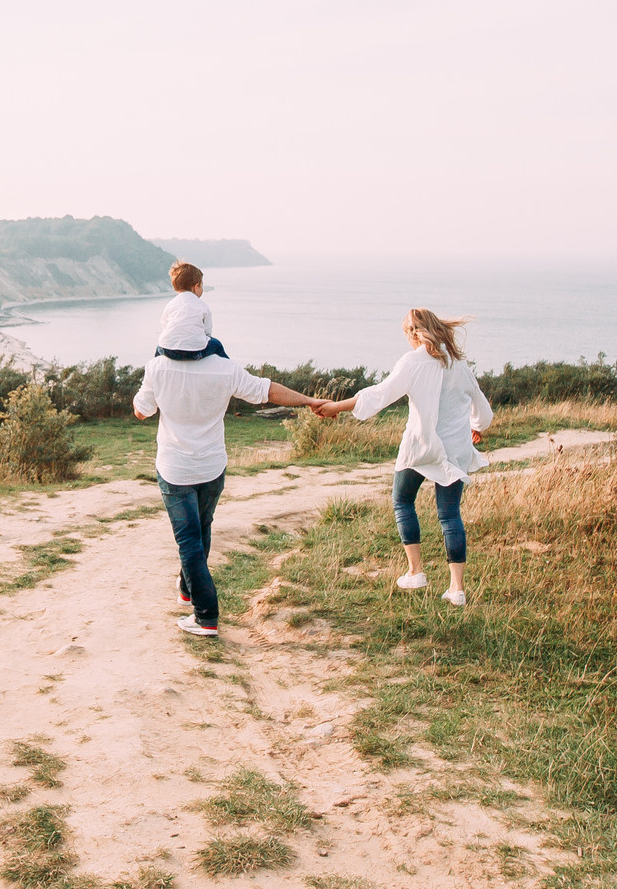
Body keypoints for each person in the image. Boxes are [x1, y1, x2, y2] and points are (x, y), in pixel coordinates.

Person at [134, 261, 325, 639]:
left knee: (189, 540)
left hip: (174, 469)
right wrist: (310, 401)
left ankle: (205, 616)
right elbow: (267, 390)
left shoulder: (156, 368)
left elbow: (143, 411)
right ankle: (189, 590)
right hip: (212, 467)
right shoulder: (223, 368)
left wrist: (149, 396)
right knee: (201, 531)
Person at [314, 308, 492, 607]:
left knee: (402, 501)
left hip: (422, 448)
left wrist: (336, 407)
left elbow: (378, 395)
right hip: (456, 449)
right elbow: (483, 412)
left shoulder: (414, 361)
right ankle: (457, 590)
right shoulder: (459, 363)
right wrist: (476, 428)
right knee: (450, 516)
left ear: (413, 333)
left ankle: (416, 571)